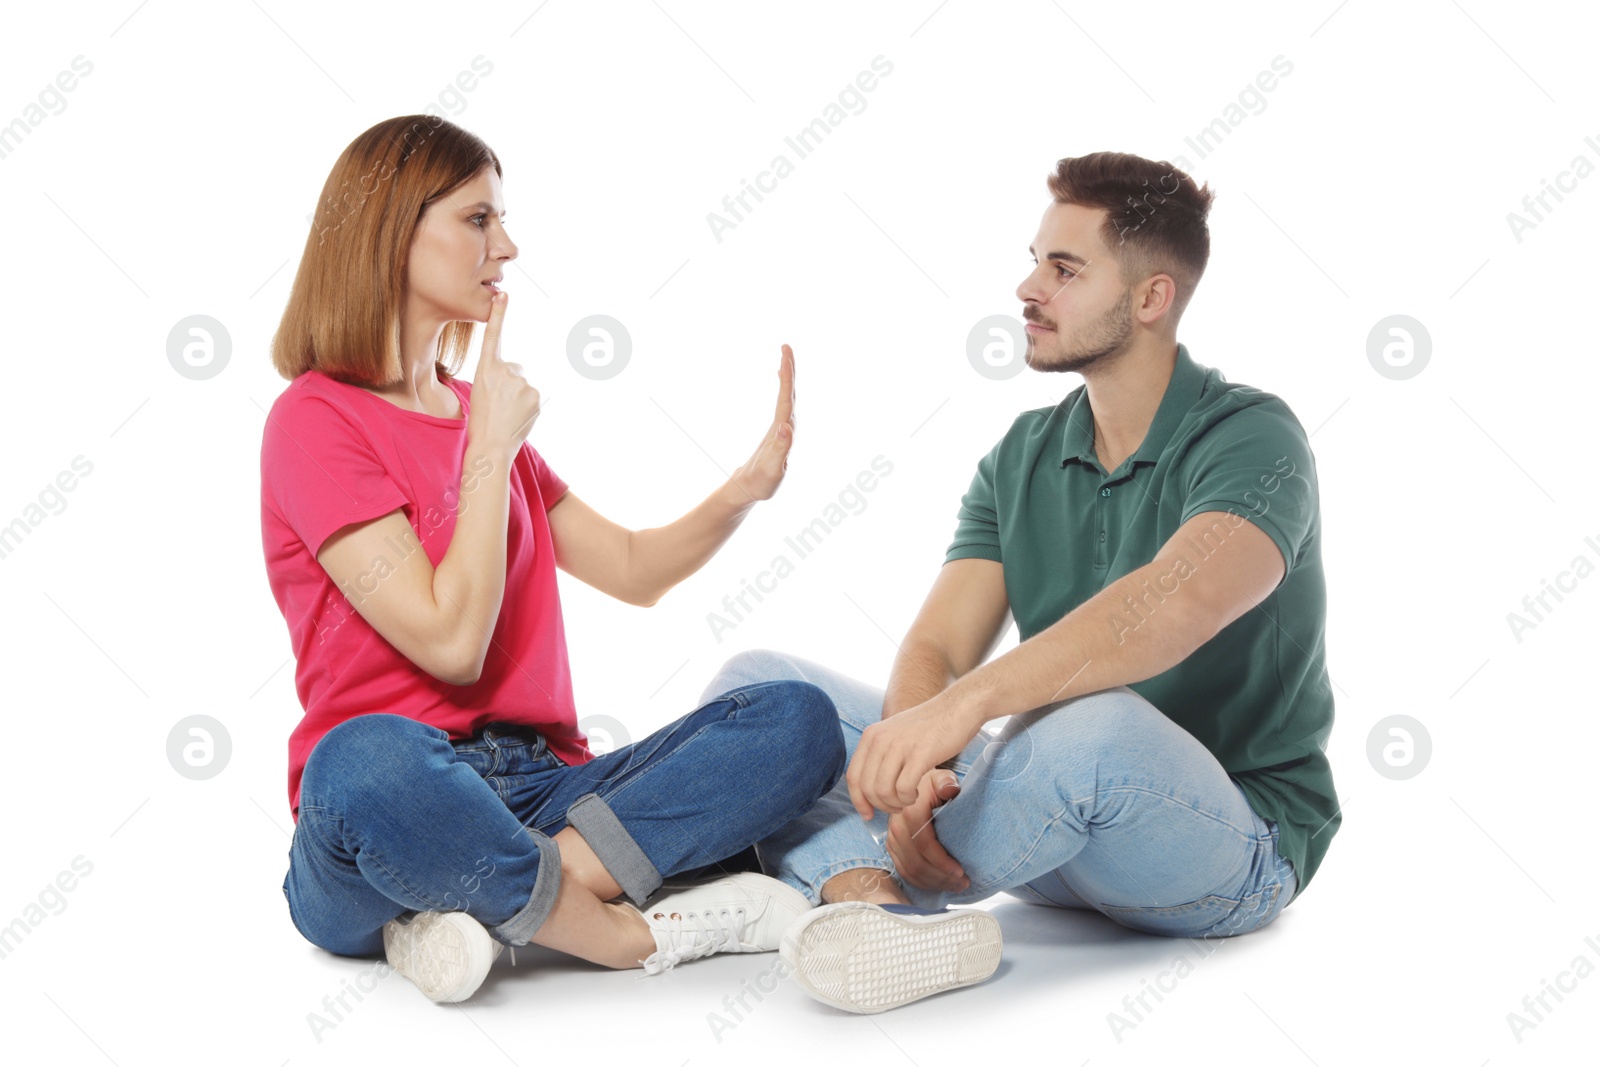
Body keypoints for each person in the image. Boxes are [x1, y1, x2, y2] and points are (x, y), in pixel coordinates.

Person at [702, 151, 1339, 1014]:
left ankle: (820, 881)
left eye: (1064, 269)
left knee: (1100, 726)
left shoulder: (1255, 438)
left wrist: (961, 712)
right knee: (763, 684)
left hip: (1228, 845)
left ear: (1152, 298)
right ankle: (876, 906)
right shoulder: (1023, 454)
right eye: (1036, 260)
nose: (1026, 288)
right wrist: (918, 769)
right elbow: (938, 645)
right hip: (1046, 827)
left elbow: (1176, 604)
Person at [259, 114, 844, 1004]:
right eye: (478, 219)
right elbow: (451, 645)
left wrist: (742, 491)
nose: (509, 245)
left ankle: (476, 908)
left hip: (540, 786)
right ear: (393, 229)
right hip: (388, 808)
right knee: (363, 761)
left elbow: (636, 570)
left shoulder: (476, 412)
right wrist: (488, 445)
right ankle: (612, 931)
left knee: (796, 720)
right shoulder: (316, 421)